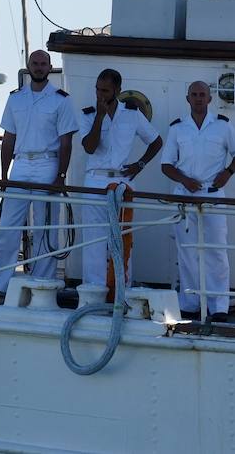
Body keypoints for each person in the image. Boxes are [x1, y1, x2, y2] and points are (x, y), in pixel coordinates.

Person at [0, 50, 79, 297]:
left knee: (45, 227)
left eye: (43, 64)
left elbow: (66, 142)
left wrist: (61, 177)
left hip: (47, 164)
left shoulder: (61, 100)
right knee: (8, 226)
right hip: (20, 164)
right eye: (35, 63)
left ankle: (42, 284)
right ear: (28, 66)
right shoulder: (16, 99)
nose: (39, 67)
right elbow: (8, 139)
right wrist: (4, 176)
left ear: (50, 68)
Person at [161, 81, 235, 322]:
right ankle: (189, 302)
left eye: (203, 95)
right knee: (187, 252)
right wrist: (184, 180)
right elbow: (166, 164)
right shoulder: (178, 129)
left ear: (210, 99)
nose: (199, 99)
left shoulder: (222, 126)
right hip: (184, 196)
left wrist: (228, 173)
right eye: (194, 95)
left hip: (212, 195)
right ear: (187, 98)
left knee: (216, 252)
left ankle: (218, 305)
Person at [77, 68, 163, 298]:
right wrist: (99, 117)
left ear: (118, 90)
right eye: (97, 89)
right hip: (95, 181)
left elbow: (156, 141)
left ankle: (121, 292)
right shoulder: (87, 114)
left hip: (122, 182)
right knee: (93, 239)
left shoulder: (132, 114)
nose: (100, 94)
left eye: (105, 90)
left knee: (123, 238)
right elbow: (89, 147)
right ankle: (94, 293)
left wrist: (140, 164)